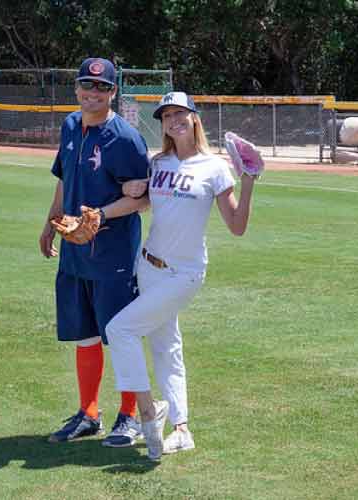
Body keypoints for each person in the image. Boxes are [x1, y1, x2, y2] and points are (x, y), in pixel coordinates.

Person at [105, 91, 258, 460]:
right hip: (149, 266)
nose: (173, 120)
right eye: (166, 116)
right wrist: (118, 198)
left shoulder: (215, 168)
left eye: (180, 113)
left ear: (194, 118)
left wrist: (249, 178)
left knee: (120, 329)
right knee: (167, 347)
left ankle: (149, 410)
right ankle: (182, 429)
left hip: (184, 274)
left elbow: (236, 226)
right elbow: (140, 202)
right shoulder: (157, 163)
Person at [39, 57, 150, 447]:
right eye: (87, 85)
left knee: (120, 335)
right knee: (84, 334)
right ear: (76, 87)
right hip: (73, 252)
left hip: (112, 256)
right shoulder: (70, 125)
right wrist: (50, 222)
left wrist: (100, 216)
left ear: (113, 93)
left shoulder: (125, 139)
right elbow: (64, 178)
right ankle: (88, 413)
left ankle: (131, 416)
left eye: (102, 87)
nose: (93, 92)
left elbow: (141, 199)